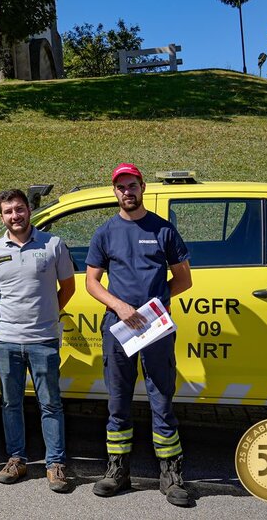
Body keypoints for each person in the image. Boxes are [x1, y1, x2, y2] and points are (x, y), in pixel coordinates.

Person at [85, 163, 193, 507]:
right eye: (121, 187)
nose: (127, 192)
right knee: (118, 400)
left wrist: (154, 307)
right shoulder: (105, 232)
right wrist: (120, 307)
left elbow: (184, 279)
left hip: (155, 327)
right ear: (114, 192)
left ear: (142, 187)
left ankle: (171, 475)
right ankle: (117, 470)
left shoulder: (163, 230)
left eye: (132, 185)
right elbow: (91, 282)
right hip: (119, 327)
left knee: (162, 398)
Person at [0, 189, 75, 493]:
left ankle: (55, 463)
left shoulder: (53, 244)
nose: (15, 216)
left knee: (51, 403)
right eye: (8, 211)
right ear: (1, 217)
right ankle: (16, 459)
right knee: (11, 403)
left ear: (29, 211)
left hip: (44, 339)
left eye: (19, 209)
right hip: (7, 340)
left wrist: (47, 314)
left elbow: (68, 288)